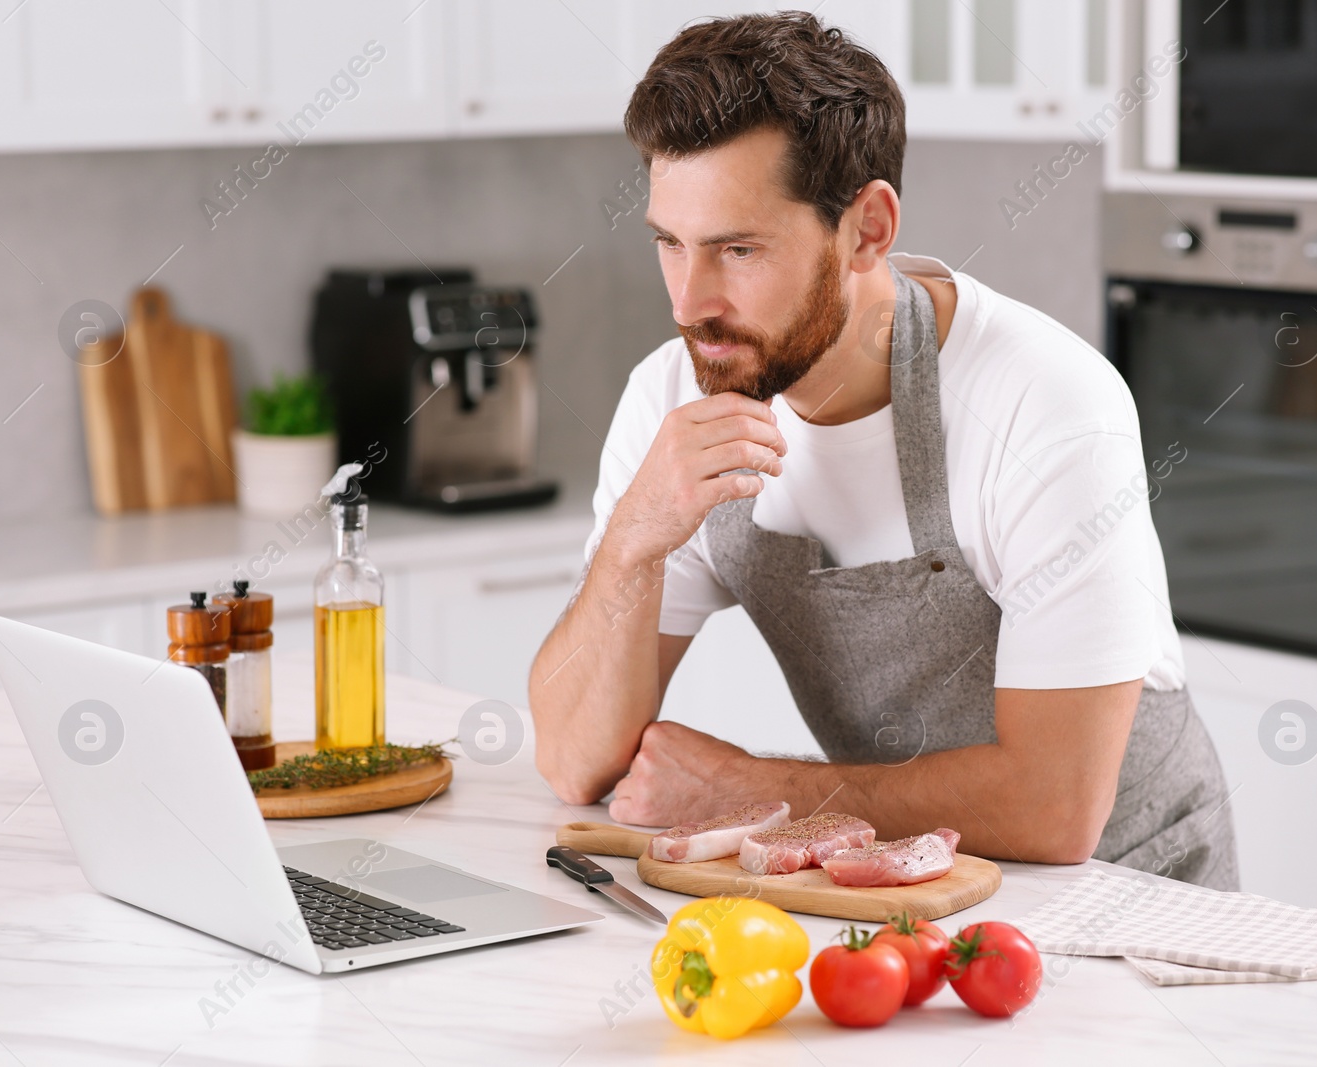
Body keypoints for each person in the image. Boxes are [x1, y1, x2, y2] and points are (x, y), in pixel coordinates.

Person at [528, 11, 1237, 889]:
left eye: (737, 249)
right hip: (909, 903)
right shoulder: (676, 393)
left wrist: (752, 789)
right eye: (670, 244)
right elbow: (573, 760)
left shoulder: (1046, 403)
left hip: (1131, 907)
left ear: (868, 227)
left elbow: (1056, 808)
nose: (690, 301)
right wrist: (637, 533)